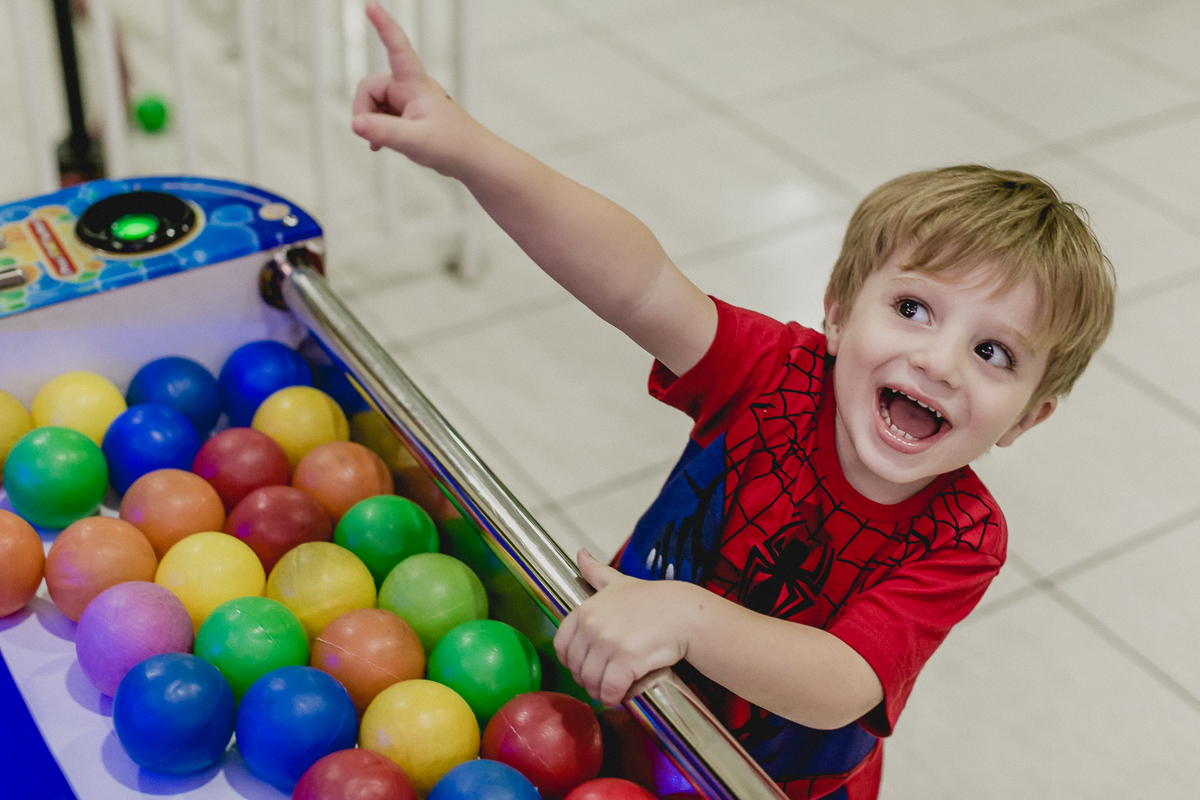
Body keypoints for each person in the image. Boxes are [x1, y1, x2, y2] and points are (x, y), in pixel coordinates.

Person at [350, 5, 1117, 798]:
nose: (940, 361)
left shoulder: (963, 537)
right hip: (612, 699)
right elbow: (635, 279)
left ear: (1029, 416)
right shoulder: (774, 372)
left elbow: (845, 681)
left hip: (765, 782)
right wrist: (473, 153)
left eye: (993, 353)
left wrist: (687, 616)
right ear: (841, 311)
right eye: (914, 309)